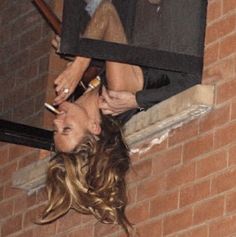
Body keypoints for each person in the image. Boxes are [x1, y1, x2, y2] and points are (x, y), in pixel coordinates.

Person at [39, 0, 201, 236]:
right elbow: (108, 13)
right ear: (94, 127)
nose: (56, 121)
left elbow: (116, 47)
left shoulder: (100, 94)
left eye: (56, 129)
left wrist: (79, 53)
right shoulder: (114, 91)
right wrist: (77, 66)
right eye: (66, 129)